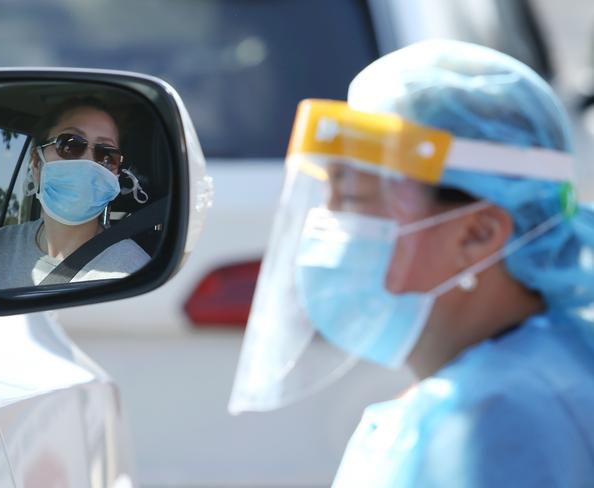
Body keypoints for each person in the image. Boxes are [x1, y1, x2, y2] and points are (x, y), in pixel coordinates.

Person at [229, 40, 594, 486]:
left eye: (355, 198)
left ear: (477, 233)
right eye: (328, 196)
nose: (329, 224)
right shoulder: (539, 374)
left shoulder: (495, 422)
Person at [0, 98, 151, 290]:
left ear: (116, 175)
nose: (88, 163)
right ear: (37, 163)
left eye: (106, 156)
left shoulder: (135, 271)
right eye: (70, 145)